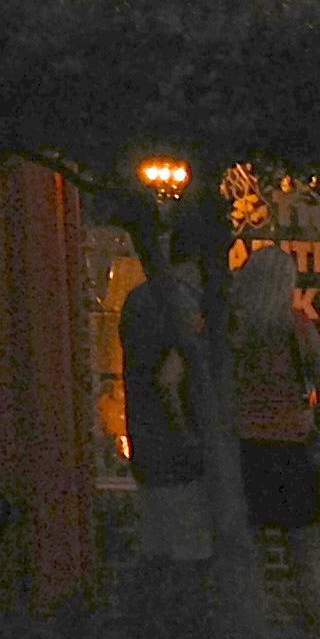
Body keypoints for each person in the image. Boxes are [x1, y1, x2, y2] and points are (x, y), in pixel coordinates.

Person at [231, 243, 320, 639]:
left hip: (247, 451)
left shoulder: (233, 330)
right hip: (294, 450)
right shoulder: (296, 326)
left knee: (255, 565)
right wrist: (316, 430)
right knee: (307, 566)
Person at [114, 220, 213, 614]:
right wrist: (189, 436)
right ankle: (183, 630)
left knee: (155, 551)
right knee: (192, 557)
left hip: (145, 443)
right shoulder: (187, 306)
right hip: (181, 455)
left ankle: (143, 626)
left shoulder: (137, 299)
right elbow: (170, 380)